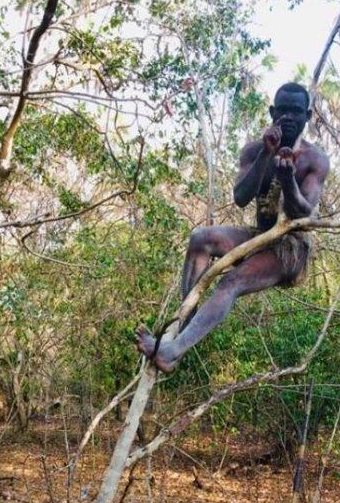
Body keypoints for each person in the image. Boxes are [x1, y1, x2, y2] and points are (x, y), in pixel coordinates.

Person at [135, 82, 329, 373]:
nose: (288, 117)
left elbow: (304, 214)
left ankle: (173, 350)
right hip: (260, 237)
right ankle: (187, 325)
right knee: (201, 238)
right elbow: (240, 198)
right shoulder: (254, 150)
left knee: (232, 281)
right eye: (283, 111)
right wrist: (267, 154)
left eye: (296, 112)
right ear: (272, 112)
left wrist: (288, 179)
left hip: (291, 249)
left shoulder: (315, 160)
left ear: (308, 116)